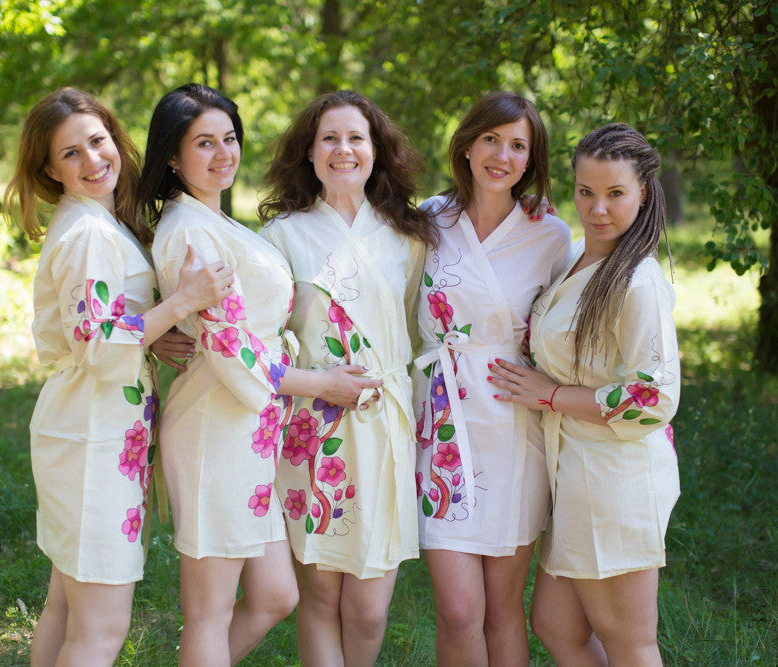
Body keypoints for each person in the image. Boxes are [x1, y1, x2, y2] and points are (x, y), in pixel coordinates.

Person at [135, 83, 380, 666]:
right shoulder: (191, 233)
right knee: (210, 611)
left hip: (251, 430)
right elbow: (232, 353)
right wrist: (322, 384)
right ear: (172, 156)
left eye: (230, 139)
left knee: (274, 595)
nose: (224, 153)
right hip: (215, 428)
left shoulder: (215, 222)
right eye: (204, 144)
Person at [2, 87, 229, 666]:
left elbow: (102, 332)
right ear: (49, 169)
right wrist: (182, 302)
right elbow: (101, 346)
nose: (93, 160)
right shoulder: (87, 236)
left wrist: (155, 334)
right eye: (70, 153)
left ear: (115, 140)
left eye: (97, 141)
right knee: (101, 629)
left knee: (68, 609)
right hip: (92, 442)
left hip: (93, 432)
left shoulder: (96, 224)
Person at [488, 122, 681, 666]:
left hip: (613, 479)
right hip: (574, 474)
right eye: (587, 192)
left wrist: (552, 395)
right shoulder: (577, 255)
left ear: (643, 193)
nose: (598, 208)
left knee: (629, 642)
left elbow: (652, 399)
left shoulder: (637, 282)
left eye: (616, 193)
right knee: (555, 624)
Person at [257, 90, 437, 666]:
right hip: (313, 427)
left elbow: (411, 322)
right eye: (329, 138)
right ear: (308, 153)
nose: (343, 149)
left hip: (384, 424)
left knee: (367, 608)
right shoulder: (281, 236)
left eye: (356, 137)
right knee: (320, 593)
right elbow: (258, 339)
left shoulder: (408, 235)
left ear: (376, 150)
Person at [409, 91, 572, 666]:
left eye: (518, 145)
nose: (502, 155)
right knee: (458, 610)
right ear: (467, 144)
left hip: (512, 423)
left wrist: (561, 392)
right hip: (443, 421)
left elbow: (575, 320)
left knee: (502, 609)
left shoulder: (549, 235)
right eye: (491, 139)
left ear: (532, 159)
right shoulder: (426, 221)